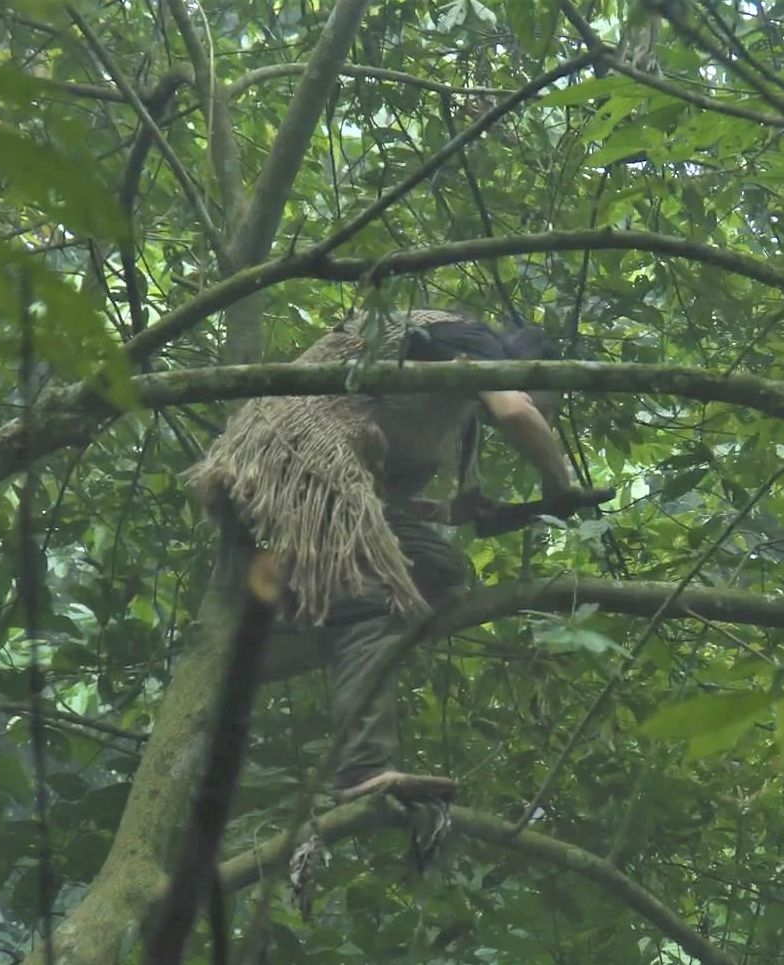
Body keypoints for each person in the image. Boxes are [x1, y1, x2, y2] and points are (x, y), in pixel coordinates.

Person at [186, 308, 609, 799]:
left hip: (284, 482)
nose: (547, 417)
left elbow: (384, 478)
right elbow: (516, 413)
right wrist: (559, 485)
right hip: (298, 472)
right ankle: (363, 768)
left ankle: (296, 627)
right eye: (547, 404)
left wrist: (453, 511)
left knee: (437, 570)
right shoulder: (474, 341)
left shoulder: (447, 399)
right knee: (379, 600)